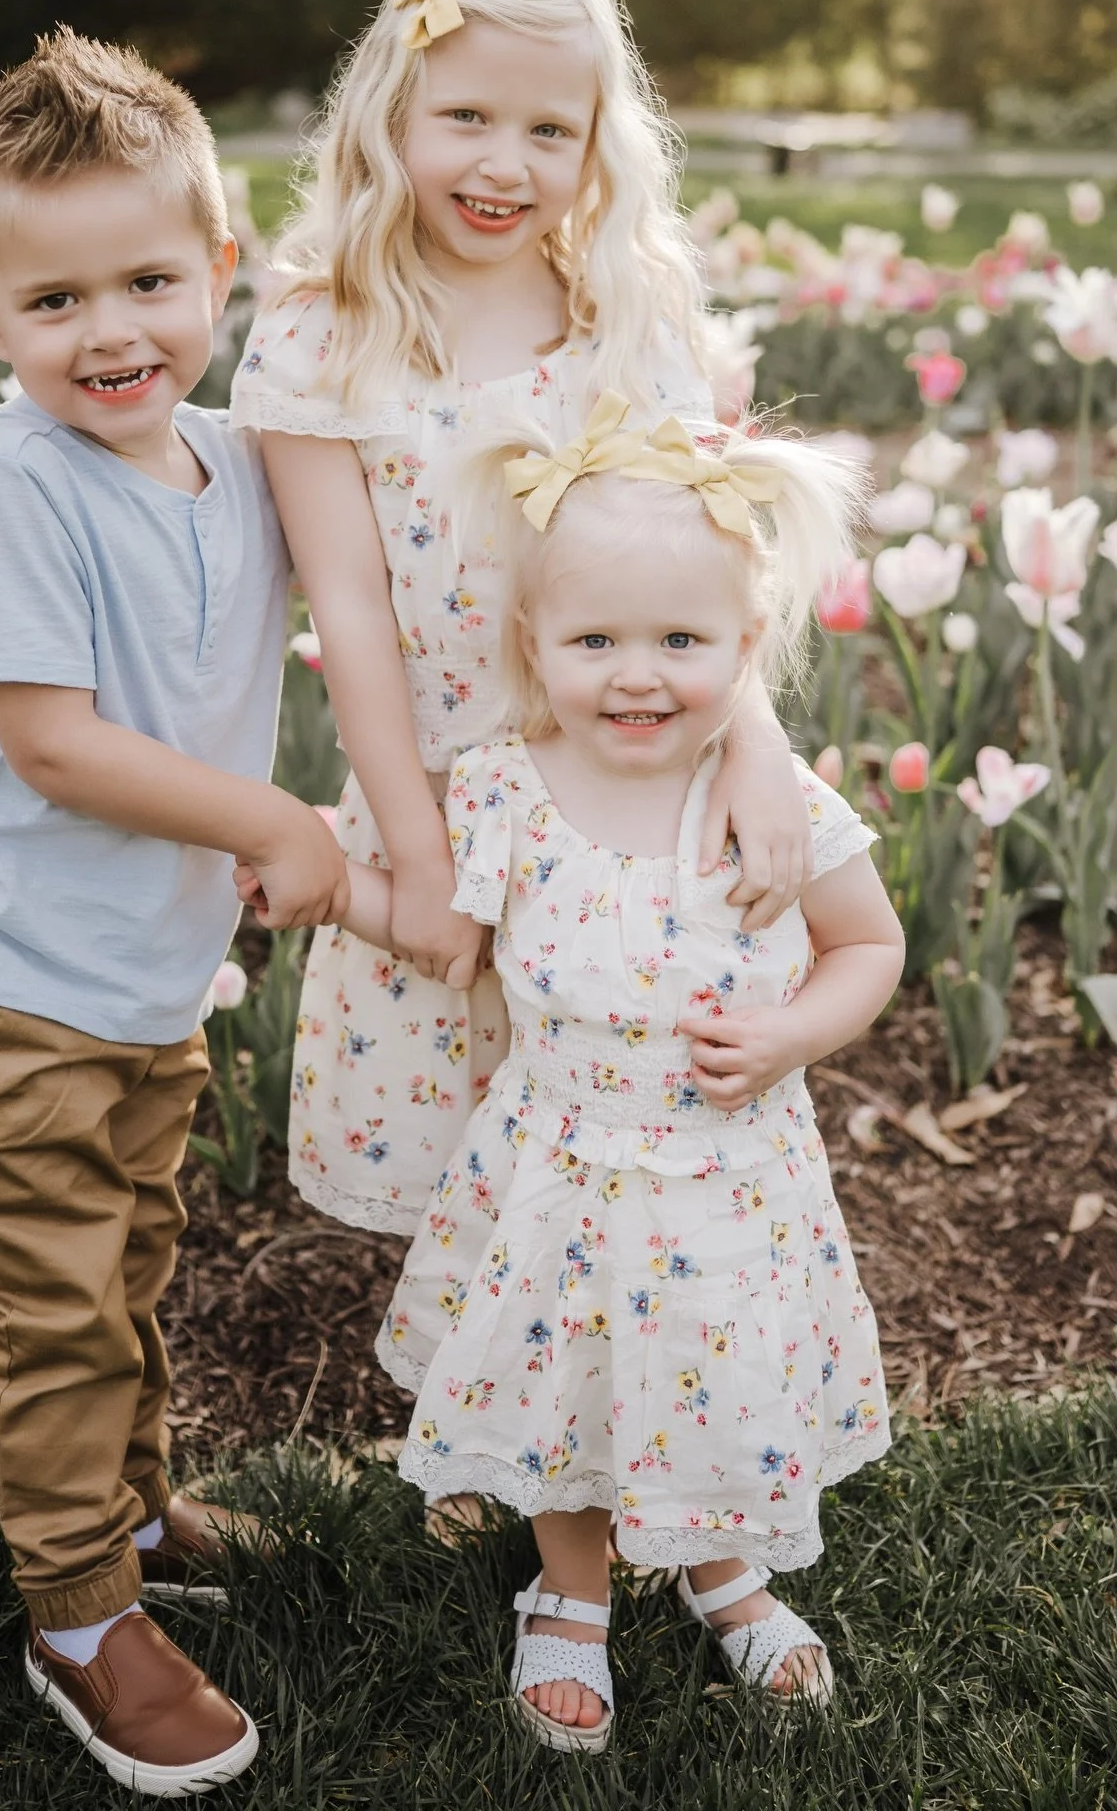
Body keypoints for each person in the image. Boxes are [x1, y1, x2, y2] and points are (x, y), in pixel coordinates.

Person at [245, 396, 902, 1748]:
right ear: (532, 643)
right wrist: (329, 882)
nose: (639, 674)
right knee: (569, 1383)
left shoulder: (769, 805)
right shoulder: (507, 792)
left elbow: (869, 945)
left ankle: (722, 1566)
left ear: (746, 645)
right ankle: (573, 1584)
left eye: (681, 640)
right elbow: (445, 941)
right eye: (597, 640)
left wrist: (792, 1035)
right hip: (563, 1165)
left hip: (731, 1172)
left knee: (715, 1380)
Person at [0, 27, 348, 1798]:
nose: (113, 331)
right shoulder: (13, 485)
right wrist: (272, 816)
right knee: (60, 1307)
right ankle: (76, 1613)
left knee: (128, 1262)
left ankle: (129, 1511)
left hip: (137, 981)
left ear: (222, 270)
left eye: (151, 278)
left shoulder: (227, 457)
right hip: (1, 986)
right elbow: (57, 749)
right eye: (56, 300)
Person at [229, 0, 816, 1374]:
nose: (503, 162)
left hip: (624, 785)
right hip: (439, 779)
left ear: (600, 142)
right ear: (394, 116)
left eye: (548, 129)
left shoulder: (621, 312)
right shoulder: (325, 331)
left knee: (628, 1105)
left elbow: (709, 563)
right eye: (467, 118)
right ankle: (491, 1417)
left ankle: (646, 1397)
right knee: (478, 1136)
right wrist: (420, 854)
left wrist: (757, 744)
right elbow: (349, 611)